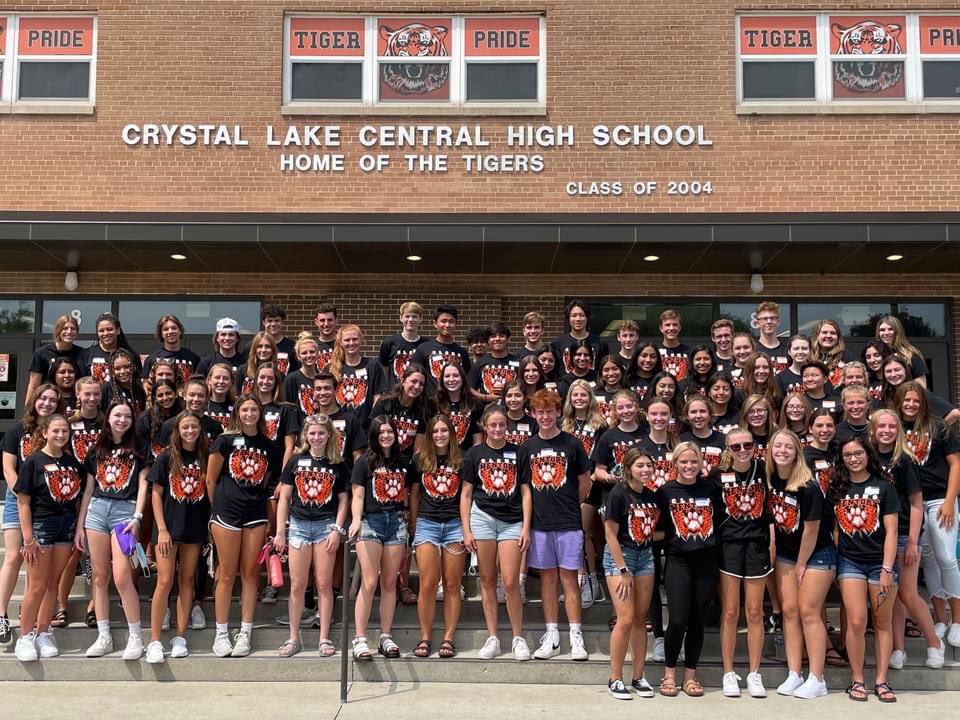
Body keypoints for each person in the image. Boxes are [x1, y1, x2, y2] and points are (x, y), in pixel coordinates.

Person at [868, 409, 945, 669]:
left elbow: (916, 503)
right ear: (873, 430)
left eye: (891, 426)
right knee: (891, 593)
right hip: (878, 535)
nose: (886, 431)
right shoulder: (869, 457)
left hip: (902, 534)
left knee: (909, 593)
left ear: (898, 430)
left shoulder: (905, 460)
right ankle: (898, 649)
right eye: (881, 427)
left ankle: (934, 642)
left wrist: (914, 541)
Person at [206, 395, 279, 657]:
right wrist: (215, 512)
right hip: (226, 512)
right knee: (226, 574)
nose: (249, 413)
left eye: (254, 409)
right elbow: (210, 480)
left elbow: (265, 480)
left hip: (256, 513)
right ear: (237, 413)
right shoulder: (224, 441)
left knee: (250, 575)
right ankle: (221, 632)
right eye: (244, 409)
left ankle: (245, 632)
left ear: (260, 414)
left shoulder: (269, 446)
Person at [76, 402, 151, 659]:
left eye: (127, 416)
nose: (122, 420)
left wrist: (138, 517)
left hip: (125, 513)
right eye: (117, 415)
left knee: (121, 576)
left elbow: (143, 485)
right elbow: (87, 489)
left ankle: (135, 636)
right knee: (99, 576)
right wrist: (80, 525)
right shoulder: (97, 449)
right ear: (108, 418)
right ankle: (104, 635)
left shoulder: (140, 447)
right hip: (97, 511)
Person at [766, 429, 835, 699]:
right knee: (790, 612)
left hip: (816, 555)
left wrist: (802, 564)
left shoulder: (808, 486)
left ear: (797, 452)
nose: (782, 451)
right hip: (787, 554)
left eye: (788, 447)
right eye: (777, 446)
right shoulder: (771, 479)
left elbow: (811, 530)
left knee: (809, 612)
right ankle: (794, 673)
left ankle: (817, 678)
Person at [523, 389, 592, 660]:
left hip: (568, 521)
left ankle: (576, 635)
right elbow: (526, 488)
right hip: (540, 523)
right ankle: (552, 636)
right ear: (534, 414)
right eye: (540, 412)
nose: (545, 416)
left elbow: (585, 481)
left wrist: (567, 503)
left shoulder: (572, 444)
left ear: (557, 413)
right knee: (548, 580)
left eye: (550, 411)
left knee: (570, 580)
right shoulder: (528, 447)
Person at [832, 435, 900, 703]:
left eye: (858, 453)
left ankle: (881, 680)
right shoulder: (837, 488)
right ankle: (857, 678)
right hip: (850, 562)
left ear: (867, 455)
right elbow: (835, 529)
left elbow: (892, 532)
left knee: (882, 622)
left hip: (880, 564)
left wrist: (886, 568)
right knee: (857, 620)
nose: (853, 459)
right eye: (848, 455)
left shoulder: (884, 487)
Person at [273, 414, 348, 657]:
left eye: (321, 433)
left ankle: (324, 637)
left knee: (324, 584)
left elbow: (343, 500)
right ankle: (293, 637)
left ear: (329, 435)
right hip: (298, 526)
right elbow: (283, 497)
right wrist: (280, 532)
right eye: (312, 433)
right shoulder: (295, 461)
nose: (316, 437)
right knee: (297, 584)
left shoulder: (337, 464)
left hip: (326, 526)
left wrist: (338, 529)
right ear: (306, 435)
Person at [462, 404, 532, 660]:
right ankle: (493, 637)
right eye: (493, 425)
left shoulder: (519, 451)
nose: (498, 429)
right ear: (484, 426)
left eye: (502, 424)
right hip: (482, 518)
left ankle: (517, 637)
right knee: (487, 581)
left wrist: (526, 525)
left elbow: (526, 491)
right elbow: (466, 493)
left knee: (511, 582)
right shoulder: (474, 453)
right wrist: (466, 529)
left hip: (512, 521)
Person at [12, 414, 85, 661]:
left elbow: (78, 498)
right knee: (36, 585)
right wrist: (28, 537)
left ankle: (43, 632)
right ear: (45, 433)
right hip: (41, 525)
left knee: (53, 583)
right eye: (56, 431)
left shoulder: (73, 462)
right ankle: (25, 636)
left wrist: (78, 529)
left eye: (65, 431)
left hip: (66, 526)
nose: (61, 435)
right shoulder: (33, 462)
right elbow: (23, 502)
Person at [894, 381, 960, 647]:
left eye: (915, 401)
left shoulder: (938, 427)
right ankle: (940, 618)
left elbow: (955, 465)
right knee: (929, 561)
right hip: (910, 502)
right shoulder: (894, 428)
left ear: (923, 403)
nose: (910, 405)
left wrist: (949, 501)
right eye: (906, 400)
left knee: (946, 556)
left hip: (937, 500)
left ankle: (957, 620)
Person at [654, 442, 721, 698]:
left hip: (707, 560)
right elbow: (658, 528)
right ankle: (669, 674)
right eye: (684, 462)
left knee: (697, 621)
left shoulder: (711, 488)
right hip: (678, 560)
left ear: (701, 463)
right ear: (675, 464)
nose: (689, 466)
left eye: (694, 462)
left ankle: (690, 676)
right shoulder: (665, 492)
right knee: (678, 618)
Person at [709, 429, 770, 698]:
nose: (743, 449)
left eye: (748, 444)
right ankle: (728, 672)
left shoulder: (765, 469)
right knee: (731, 612)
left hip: (756, 545)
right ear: (727, 449)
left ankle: (754, 673)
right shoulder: (716, 475)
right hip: (729, 546)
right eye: (736, 446)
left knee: (755, 612)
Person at [146, 411, 210, 663]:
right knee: (164, 581)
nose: (190, 431)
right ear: (178, 430)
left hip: (194, 527)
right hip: (168, 528)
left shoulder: (206, 457)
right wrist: (161, 529)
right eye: (185, 427)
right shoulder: (166, 457)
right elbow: (155, 493)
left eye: (194, 426)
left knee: (187, 580)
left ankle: (180, 636)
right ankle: (154, 641)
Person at [0, 384, 60, 646]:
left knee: (34, 562)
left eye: (52, 400)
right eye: (43, 398)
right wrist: (21, 493)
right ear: (34, 399)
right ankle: (1, 615)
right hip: (18, 500)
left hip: (46, 506)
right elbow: (8, 467)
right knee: (14, 556)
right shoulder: (17, 430)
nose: (46, 403)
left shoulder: (57, 431)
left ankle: (29, 615)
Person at [348, 416, 410, 660]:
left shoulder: (403, 461)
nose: (386, 435)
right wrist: (355, 521)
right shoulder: (364, 462)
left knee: (389, 582)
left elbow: (407, 493)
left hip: (396, 522)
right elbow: (358, 496)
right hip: (370, 523)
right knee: (370, 581)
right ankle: (360, 639)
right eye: (381, 432)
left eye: (390, 431)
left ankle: (385, 635)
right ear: (374, 435)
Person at [603, 447, 659, 699]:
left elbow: (656, 532)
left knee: (640, 619)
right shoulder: (618, 494)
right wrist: (623, 569)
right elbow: (610, 534)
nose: (645, 470)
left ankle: (639, 676)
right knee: (624, 619)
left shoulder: (652, 495)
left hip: (645, 556)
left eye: (648, 465)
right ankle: (615, 678)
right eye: (640, 466)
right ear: (628, 468)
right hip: (621, 557)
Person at [410, 415, 467, 659]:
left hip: (454, 525)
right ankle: (425, 636)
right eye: (435, 431)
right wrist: (414, 524)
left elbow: (466, 496)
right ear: (430, 435)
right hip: (427, 524)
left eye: (444, 430)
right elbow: (413, 495)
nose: (440, 435)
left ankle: (448, 637)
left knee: (453, 585)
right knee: (427, 584)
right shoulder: (420, 460)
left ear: (451, 434)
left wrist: (467, 527)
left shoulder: (463, 460)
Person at [329, 323, 386, 428]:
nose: (351, 343)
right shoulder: (332, 368)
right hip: (337, 427)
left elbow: (377, 399)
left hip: (364, 428)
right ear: (340, 342)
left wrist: (373, 424)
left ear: (361, 340)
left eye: (355, 339)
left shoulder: (373, 365)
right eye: (347, 340)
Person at [370, 364, 430, 458]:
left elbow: (418, 450)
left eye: (421, 384)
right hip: (381, 458)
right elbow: (372, 436)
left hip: (406, 463)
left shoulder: (423, 409)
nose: (417, 386)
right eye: (413, 381)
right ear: (403, 381)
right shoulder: (384, 403)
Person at [411, 304, 471, 397]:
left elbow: (466, 380)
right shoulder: (423, 349)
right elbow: (414, 375)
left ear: (456, 324)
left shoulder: (462, 353)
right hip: (429, 403)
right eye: (443, 321)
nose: (447, 325)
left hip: (455, 402)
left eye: (451, 321)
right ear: (435, 323)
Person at [26, 314, 83, 403]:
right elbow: (33, 386)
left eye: (73, 329)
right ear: (58, 331)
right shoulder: (41, 353)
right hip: (49, 403)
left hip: (75, 404)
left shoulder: (82, 353)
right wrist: (28, 411)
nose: (69, 331)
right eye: (65, 328)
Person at [142, 315, 201, 389]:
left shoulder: (193, 358)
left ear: (180, 331)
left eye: (174, 328)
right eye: (166, 329)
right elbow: (146, 386)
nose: (170, 331)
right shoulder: (151, 359)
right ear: (161, 334)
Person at [82, 312, 141, 386]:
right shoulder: (87, 354)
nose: (105, 333)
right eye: (101, 331)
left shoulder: (130, 354)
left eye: (109, 329)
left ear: (118, 330)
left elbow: (137, 382)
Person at [551, 299, 606, 376]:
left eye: (581, 315)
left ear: (587, 317)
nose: (578, 319)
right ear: (568, 318)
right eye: (574, 316)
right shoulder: (558, 344)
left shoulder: (599, 343)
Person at [378, 301, 427, 387]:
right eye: (407, 316)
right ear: (401, 318)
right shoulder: (389, 342)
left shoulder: (426, 344)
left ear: (421, 319)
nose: (410, 320)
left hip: (417, 392)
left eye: (414, 317)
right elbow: (383, 368)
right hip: (393, 393)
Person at [435, 363, 482, 450]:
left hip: (464, 458)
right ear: (442, 379)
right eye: (447, 376)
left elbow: (477, 438)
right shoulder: (433, 403)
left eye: (456, 375)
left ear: (463, 378)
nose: (451, 379)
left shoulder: (474, 404)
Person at [468, 323, 519, 404]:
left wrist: (508, 388)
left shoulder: (518, 362)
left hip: (511, 411)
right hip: (485, 412)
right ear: (488, 341)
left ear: (508, 339)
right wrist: (485, 397)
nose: (497, 339)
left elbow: (525, 387)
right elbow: (469, 388)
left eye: (502, 336)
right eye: (493, 336)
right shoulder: (480, 363)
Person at [876, 315, 927, 387]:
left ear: (898, 331)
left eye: (890, 329)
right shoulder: (875, 356)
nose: (886, 333)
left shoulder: (911, 356)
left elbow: (921, 387)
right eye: (882, 330)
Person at [283, 332, 321, 422]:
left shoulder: (323, 378)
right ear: (298, 356)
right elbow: (287, 408)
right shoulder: (291, 379)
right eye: (304, 353)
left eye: (312, 352)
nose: (309, 355)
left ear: (317, 354)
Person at [811, 319, 855, 390]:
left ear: (838, 337)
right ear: (817, 336)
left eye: (833, 333)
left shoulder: (847, 356)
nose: (828, 336)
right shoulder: (808, 356)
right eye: (824, 332)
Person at [101, 349, 146, 415]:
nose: (123, 371)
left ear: (133, 367)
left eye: (127, 367)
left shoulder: (139, 391)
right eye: (117, 368)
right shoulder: (105, 390)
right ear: (112, 370)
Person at [259, 303, 300, 377]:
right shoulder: (255, 346)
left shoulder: (293, 347)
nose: (273, 324)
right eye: (269, 321)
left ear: (282, 322)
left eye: (277, 320)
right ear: (263, 322)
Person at [236, 331, 279, 396]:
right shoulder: (243, 370)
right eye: (259, 346)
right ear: (254, 349)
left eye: (268, 346)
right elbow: (238, 396)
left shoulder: (278, 370)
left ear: (273, 349)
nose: (263, 350)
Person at [656, 309, 692, 381]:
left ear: (680, 327)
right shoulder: (655, 352)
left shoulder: (689, 351)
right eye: (667, 325)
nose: (671, 328)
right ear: (661, 328)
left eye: (675, 325)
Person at [754, 301, 788, 371]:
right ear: (757, 323)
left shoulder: (787, 350)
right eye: (765, 319)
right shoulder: (753, 350)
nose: (769, 321)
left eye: (773, 318)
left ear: (778, 322)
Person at [313, 303, 339, 371]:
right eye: (322, 320)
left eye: (330, 320)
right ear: (316, 322)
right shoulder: (312, 347)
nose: (326, 324)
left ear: (336, 320)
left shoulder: (344, 345)